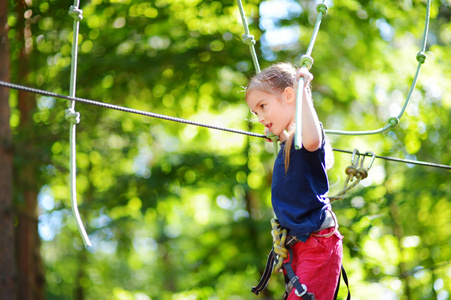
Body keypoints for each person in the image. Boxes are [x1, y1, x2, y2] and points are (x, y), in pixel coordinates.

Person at [245, 62, 343, 300]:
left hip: (317, 243)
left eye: (263, 106)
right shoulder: (289, 142)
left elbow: (311, 140)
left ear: (289, 95)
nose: (260, 117)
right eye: (256, 112)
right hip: (299, 243)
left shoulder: (305, 138)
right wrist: (280, 135)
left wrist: (302, 92)